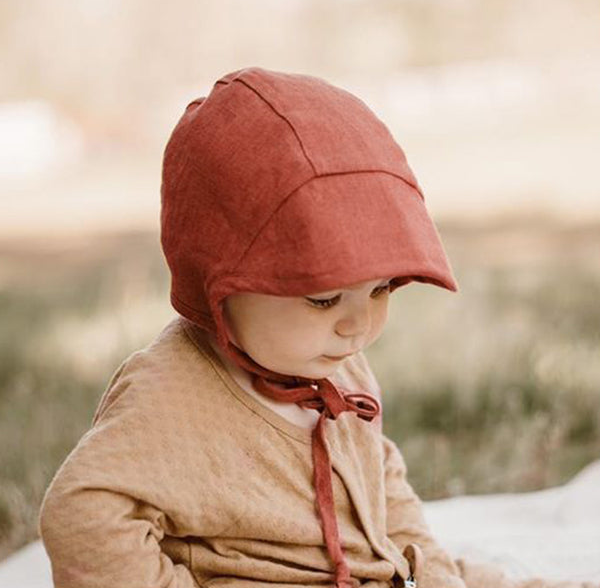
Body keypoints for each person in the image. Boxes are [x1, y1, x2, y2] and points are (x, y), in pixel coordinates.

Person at [37, 67, 597, 588]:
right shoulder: (171, 397)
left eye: (382, 289)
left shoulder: (327, 358)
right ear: (222, 285)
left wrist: (427, 562)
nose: (359, 324)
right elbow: (81, 513)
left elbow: (379, 474)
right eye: (324, 298)